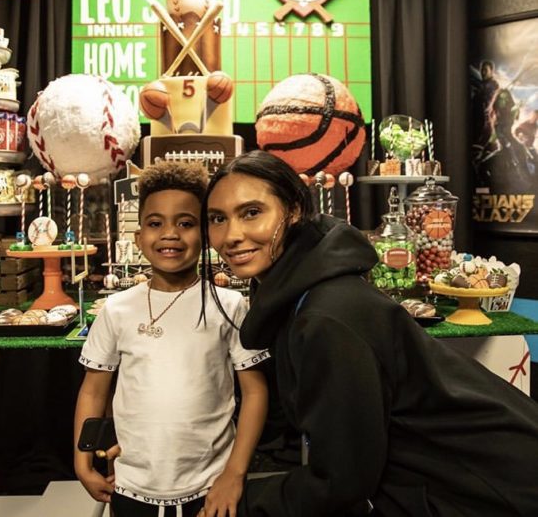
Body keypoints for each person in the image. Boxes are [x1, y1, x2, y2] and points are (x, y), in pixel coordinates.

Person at [202, 150, 538, 517]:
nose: (231, 235)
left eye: (252, 212)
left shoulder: (325, 316)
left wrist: (247, 501)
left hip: (493, 489)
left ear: (294, 210)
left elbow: (342, 480)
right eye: (217, 218)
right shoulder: (305, 293)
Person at [74, 161, 269, 517]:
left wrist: (234, 473)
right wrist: (82, 458)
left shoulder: (230, 306)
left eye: (185, 223)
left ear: (206, 234)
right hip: (132, 487)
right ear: (138, 237)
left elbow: (255, 392)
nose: (170, 234)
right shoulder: (116, 309)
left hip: (212, 487)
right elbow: (93, 390)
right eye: (155, 223)